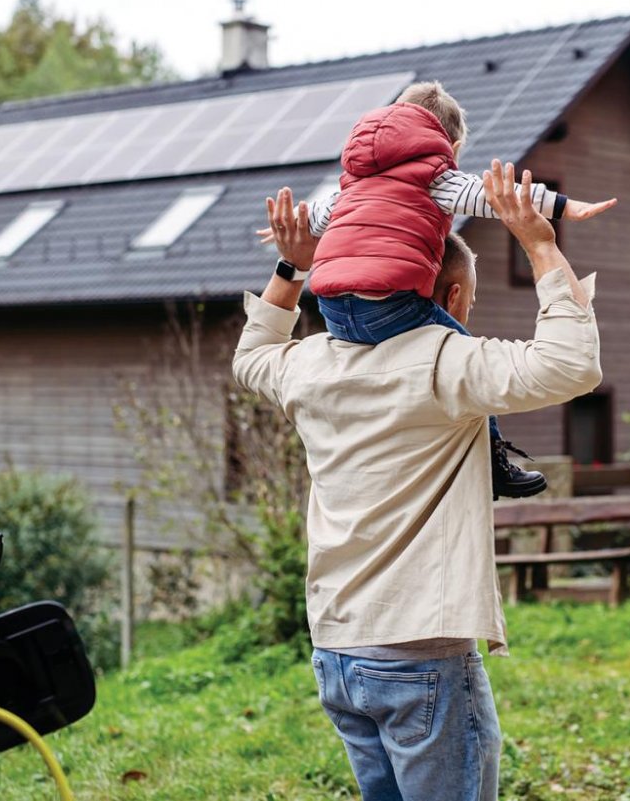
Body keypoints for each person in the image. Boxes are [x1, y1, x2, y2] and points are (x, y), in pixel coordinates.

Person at [233, 160, 602, 801]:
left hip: (338, 650)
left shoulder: (309, 366)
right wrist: (541, 244)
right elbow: (570, 364)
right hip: (420, 654)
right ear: (452, 298)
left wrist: (292, 267)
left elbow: (251, 356)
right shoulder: (443, 363)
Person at [260, 81, 615, 499]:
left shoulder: (349, 187)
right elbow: (497, 197)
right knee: (460, 341)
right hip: (389, 306)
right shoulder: (435, 178)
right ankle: (495, 456)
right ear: (454, 146)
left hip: (333, 309)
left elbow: (311, 218)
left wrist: (291, 259)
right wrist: (562, 211)